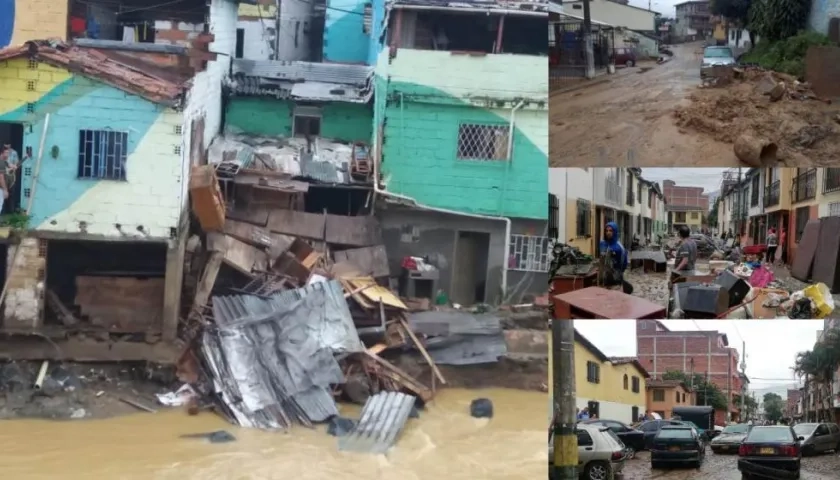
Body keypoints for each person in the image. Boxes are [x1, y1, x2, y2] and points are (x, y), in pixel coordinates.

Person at [599, 221, 632, 294]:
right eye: (606, 230)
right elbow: (601, 259)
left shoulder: (619, 247)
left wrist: (616, 274)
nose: (608, 232)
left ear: (615, 232)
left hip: (615, 282)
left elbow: (624, 264)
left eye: (611, 230)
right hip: (603, 281)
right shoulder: (602, 244)